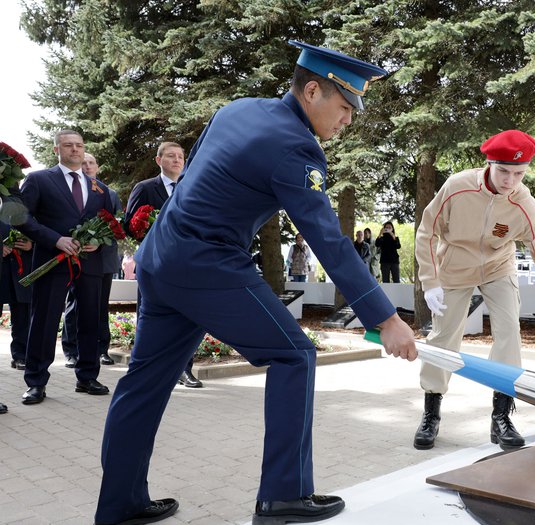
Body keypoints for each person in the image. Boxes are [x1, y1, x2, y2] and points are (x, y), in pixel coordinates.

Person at [94, 40, 417, 525]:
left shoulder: (238, 109)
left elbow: (193, 178)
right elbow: (327, 240)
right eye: (346, 107)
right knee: (295, 354)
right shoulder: (296, 147)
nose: (348, 121)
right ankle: (284, 497)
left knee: (144, 382)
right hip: (208, 264)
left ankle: (119, 504)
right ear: (313, 91)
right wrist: (386, 318)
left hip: (162, 257)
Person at [413, 129, 535, 451]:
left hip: (497, 267)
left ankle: (501, 415)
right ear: (489, 163)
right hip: (454, 267)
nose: (510, 180)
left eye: (519, 173)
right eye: (504, 171)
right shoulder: (457, 187)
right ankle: (431, 412)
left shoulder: (524, 204)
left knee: (509, 333)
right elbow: (426, 232)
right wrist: (431, 281)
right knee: (444, 337)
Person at [18, 130, 116, 405]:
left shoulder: (99, 188)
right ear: (56, 150)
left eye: (79, 146)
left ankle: (87, 376)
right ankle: (36, 382)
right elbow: (20, 217)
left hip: (90, 263)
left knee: (89, 320)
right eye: (68, 145)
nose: (75, 150)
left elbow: (108, 221)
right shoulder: (39, 180)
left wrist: (98, 243)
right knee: (45, 321)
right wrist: (55, 239)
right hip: (52, 261)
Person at [125, 141, 202, 388]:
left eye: (180, 156)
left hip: (187, 267)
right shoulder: (145, 188)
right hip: (154, 266)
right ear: (159, 161)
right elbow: (131, 225)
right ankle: (145, 370)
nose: (177, 160)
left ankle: (184, 370)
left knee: (187, 318)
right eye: (171, 156)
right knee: (149, 319)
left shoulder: (194, 188)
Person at [62, 153, 122, 366]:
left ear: (97, 167)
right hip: (73, 257)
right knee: (73, 304)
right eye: (84, 163)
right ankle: (71, 350)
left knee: (100, 306)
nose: (87, 166)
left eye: (91, 163)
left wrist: (100, 241)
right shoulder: (69, 191)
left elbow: (117, 226)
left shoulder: (109, 193)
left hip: (103, 260)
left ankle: (101, 349)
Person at [1, 223, 32, 371]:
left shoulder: (26, 203)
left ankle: (20, 355)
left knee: (22, 315)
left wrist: (31, 244)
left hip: (21, 269)